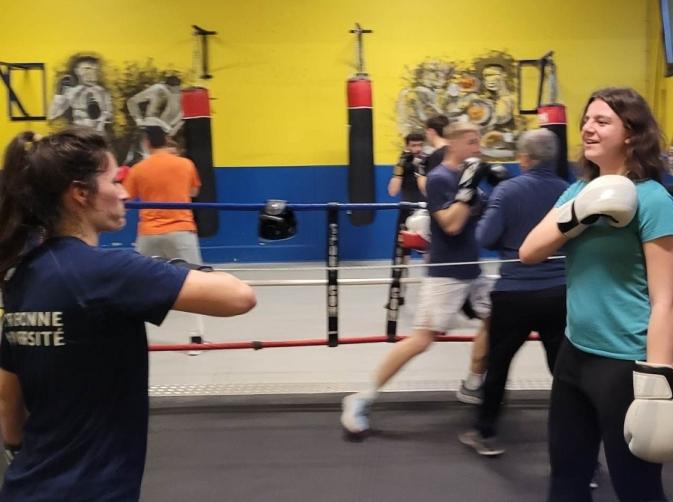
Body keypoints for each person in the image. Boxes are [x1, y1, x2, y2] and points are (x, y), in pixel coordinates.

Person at [0, 127, 256, 501]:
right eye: (113, 180)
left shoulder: (20, 275)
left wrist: (18, 452)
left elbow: (10, 403)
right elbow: (239, 296)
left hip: (25, 486)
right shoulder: (109, 271)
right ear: (80, 194)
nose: (123, 192)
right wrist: (165, 268)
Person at [520, 87, 673, 501]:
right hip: (574, 355)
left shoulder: (653, 200)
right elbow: (529, 252)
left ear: (630, 134)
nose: (588, 127)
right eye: (587, 119)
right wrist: (579, 213)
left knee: (636, 487)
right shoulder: (577, 192)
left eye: (602, 121)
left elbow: (665, 299)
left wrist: (658, 383)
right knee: (567, 478)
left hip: (625, 364)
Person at [341, 122, 495, 438]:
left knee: (497, 320)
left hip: (472, 269)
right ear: (453, 144)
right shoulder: (440, 179)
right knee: (422, 339)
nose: (478, 146)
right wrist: (468, 192)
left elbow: (483, 215)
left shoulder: (468, 175)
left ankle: (473, 383)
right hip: (446, 273)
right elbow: (451, 225)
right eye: (471, 141)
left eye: (478, 140)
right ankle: (361, 397)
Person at [458, 128, 568, 456]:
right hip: (558, 292)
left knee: (499, 363)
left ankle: (485, 433)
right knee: (564, 370)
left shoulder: (507, 191)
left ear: (524, 158)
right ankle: (578, 446)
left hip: (515, 292)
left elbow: (486, 238)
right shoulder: (570, 192)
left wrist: (485, 205)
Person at [122, 125, 206, 350]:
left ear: (147, 142)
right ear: (165, 140)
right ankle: (196, 338)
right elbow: (194, 192)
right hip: (181, 230)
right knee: (195, 282)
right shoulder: (185, 164)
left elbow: (127, 198)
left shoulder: (139, 169)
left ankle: (136, 336)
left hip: (149, 233)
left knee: (138, 284)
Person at [48, 55, 113, 132]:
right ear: (77, 71)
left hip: (96, 136)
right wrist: (59, 95)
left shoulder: (102, 92)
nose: (91, 73)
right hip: (79, 135)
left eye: (95, 70)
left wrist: (100, 117)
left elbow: (109, 116)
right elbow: (52, 115)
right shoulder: (72, 92)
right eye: (86, 69)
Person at [387, 132, 426, 204]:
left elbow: (427, 191)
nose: (418, 149)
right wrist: (400, 164)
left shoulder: (428, 161)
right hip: (407, 207)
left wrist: (420, 167)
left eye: (420, 145)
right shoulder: (404, 164)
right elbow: (392, 192)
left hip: (425, 208)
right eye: (414, 146)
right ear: (407, 147)